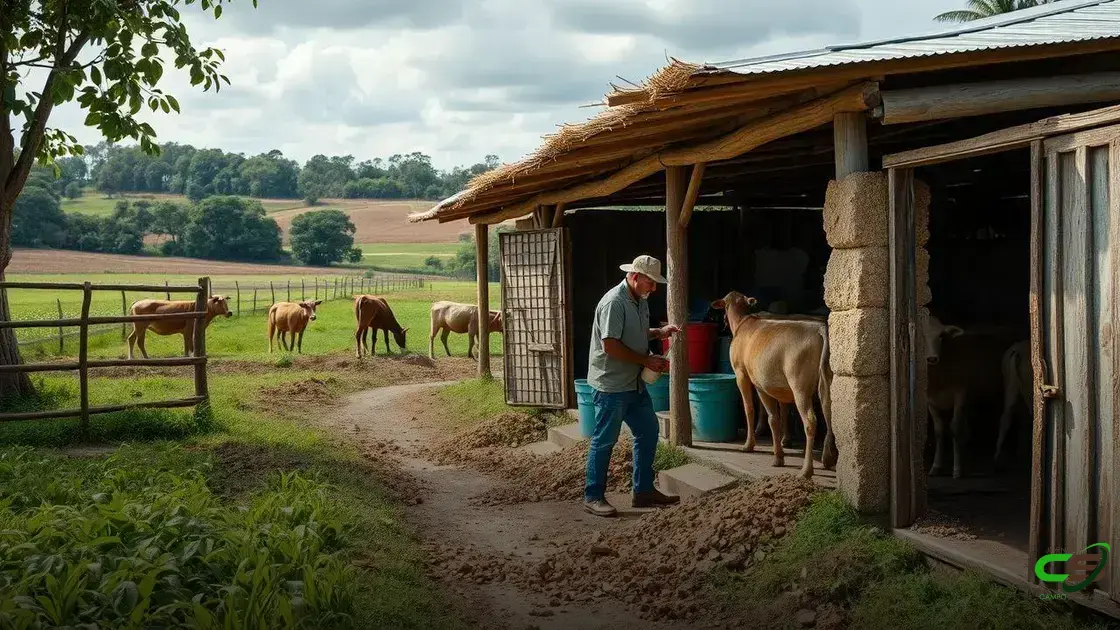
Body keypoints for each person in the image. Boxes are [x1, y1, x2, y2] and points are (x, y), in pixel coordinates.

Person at [583, 254, 682, 517]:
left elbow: (633, 332)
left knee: (648, 431)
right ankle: (593, 496)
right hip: (611, 385)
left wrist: (658, 333)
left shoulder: (639, 300)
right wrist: (646, 360)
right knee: (604, 441)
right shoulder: (614, 302)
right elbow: (610, 344)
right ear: (635, 277)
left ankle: (643, 491)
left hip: (632, 383)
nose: (654, 288)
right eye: (650, 282)